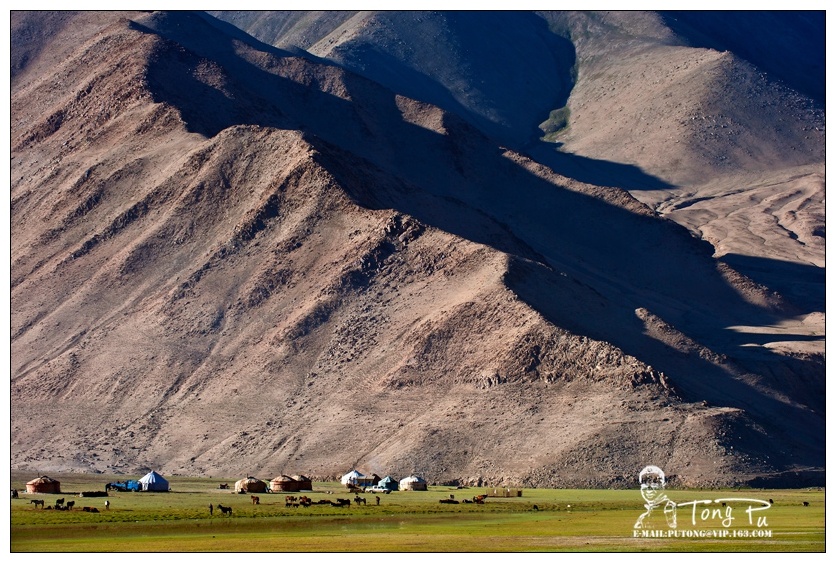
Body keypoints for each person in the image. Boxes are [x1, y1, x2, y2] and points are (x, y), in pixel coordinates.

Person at [634, 465, 676, 529]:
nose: (649, 488)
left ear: (663, 485)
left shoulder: (669, 511)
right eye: (644, 482)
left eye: (655, 482)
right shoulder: (643, 518)